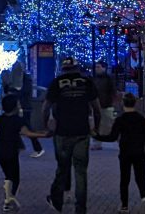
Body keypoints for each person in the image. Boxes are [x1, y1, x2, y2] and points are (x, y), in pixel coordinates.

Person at [43, 57, 101, 214]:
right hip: (82, 132)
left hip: (62, 132)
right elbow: (97, 109)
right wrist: (95, 128)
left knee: (62, 169)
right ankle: (80, 209)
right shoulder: (86, 82)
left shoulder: (57, 83)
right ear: (77, 68)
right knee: (81, 173)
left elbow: (45, 108)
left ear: (63, 69)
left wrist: (47, 127)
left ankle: (57, 203)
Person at [94, 93, 145, 213]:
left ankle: (124, 206)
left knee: (124, 179)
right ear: (135, 103)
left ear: (123, 104)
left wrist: (98, 137)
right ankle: (144, 198)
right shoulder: (140, 118)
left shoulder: (120, 119)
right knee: (141, 177)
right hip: (139, 152)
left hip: (125, 152)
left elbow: (112, 137)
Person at [0, 94, 48, 211]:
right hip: (11, 151)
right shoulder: (18, 120)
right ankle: (9, 200)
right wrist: (44, 135)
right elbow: (28, 134)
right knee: (15, 178)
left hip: (0, 151)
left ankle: (7, 201)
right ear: (15, 107)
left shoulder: (0, 119)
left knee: (7, 176)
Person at [91, 61, 116, 151]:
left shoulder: (108, 79)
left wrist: (111, 102)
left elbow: (113, 92)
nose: (97, 69)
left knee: (109, 124)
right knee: (97, 125)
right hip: (97, 106)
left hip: (107, 105)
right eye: (96, 67)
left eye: (99, 67)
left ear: (104, 68)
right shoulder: (94, 79)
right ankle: (97, 143)